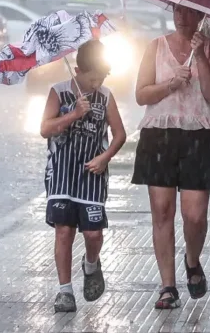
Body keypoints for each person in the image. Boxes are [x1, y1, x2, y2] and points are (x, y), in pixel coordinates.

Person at [132, 4, 210, 309]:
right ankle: (167, 285)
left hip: (198, 133)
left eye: (188, 12)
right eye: (177, 11)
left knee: (195, 216)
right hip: (159, 134)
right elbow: (141, 94)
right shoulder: (155, 47)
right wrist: (171, 84)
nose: (182, 18)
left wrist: (199, 55)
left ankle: (192, 260)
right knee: (162, 212)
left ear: (201, 16)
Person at [40, 39, 126, 313]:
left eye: (101, 78)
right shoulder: (58, 92)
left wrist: (105, 157)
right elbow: (45, 128)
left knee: (92, 233)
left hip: (92, 174)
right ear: (77, 70)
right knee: (64, 231)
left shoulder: (105, 96)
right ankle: (65, 291)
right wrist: (74, 114)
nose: (96, 83)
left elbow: (120, 134)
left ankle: (91, 265)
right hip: (62, 174)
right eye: (92, 78)